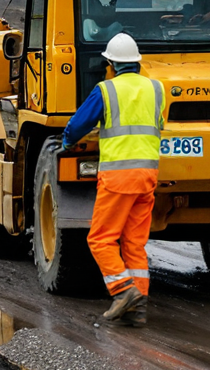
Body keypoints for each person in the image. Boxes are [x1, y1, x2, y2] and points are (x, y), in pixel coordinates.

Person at [61, 32, 165, 328]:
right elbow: (158, 124)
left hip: (119, 176)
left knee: (100, 239)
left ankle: (122, 291)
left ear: (110, 64)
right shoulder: (156, 89)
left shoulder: (106, 90)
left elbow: (79, 124)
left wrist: (67, 141)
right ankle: (138, 308)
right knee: (134, 243)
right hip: (147, 175)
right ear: (136, 63)